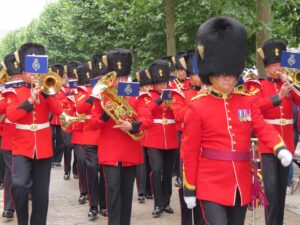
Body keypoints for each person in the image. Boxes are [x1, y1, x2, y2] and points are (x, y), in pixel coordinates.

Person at [182, 16, 293, 225]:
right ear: (211, 74)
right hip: (210, 183)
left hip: (239, 182)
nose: (228, 78)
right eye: (222, 73)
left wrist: (280, 148)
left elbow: (262, 128)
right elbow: (189, 150)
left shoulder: (247, 102)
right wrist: (189, 187)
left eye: (231, 74)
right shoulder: (197, 106)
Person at [91, 48, 153, 225]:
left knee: (126, 193)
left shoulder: (136, 94)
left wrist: (132, 125)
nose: (120, 81)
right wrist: (105, 114)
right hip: (110, 151)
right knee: (113, 190)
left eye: (123, 77)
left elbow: (148, 119)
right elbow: (93, 124)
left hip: (130, 151)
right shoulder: (101, 94)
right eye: (117, 77)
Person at [5, 43, 63, 225]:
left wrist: (46, 93)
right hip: (22, 147)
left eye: (36, 71)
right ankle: (22, 220)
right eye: (30, 71)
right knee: (19, 185)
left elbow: (59, 110)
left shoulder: (49, 89)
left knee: (41, 194)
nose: (34, 75)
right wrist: (30, 100)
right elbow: (12, 116)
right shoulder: (14, 91)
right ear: (22, 72)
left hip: (44, 147)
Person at [245, 38, 300, 225]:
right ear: (267, 67)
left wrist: (293, 85)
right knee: (271, 190)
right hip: (268, 146)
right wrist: (278, 97)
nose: (279, 68)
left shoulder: (289, 84)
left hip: (288, 143)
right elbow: (254, 107)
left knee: (281, 190)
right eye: (275, 65)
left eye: (281, 65)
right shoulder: (257, 85)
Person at [171, 50, 205, 225]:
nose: (190, 78)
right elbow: (179, 115)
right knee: (187, 187)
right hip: (190, 147)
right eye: (189, 74)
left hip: (208, 149)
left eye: (194, 74)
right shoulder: (182, 91)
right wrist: (199, 98)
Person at [143, 60, 178, 217]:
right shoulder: (148, 96)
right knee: (156, 170)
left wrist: (173, 105)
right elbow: (146, 111)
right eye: (159, 83)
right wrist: (159, 100)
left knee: (168, 171)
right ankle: (157, 203)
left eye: (164, 83)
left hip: (170, 135)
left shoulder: (175, 93)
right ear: (154, 83)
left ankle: (166, 202)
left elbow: (181, 113)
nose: (162, 86)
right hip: (154, 137)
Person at [0, 53, 22, 219]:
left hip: (29, 137)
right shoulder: (6, 92)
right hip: (10, 137)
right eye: (14, 75)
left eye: (19, 74)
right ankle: (9, 206)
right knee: (10, 173)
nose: (17, 77)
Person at [135, 68, 153, 203]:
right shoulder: (138, 97)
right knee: (141, 163)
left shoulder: (152, 96)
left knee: (150, 164)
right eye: (146, 86)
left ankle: (149, 190)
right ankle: (141, 191)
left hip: (152, 133)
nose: (148, 88)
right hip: (141, 133)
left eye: (149, 86)